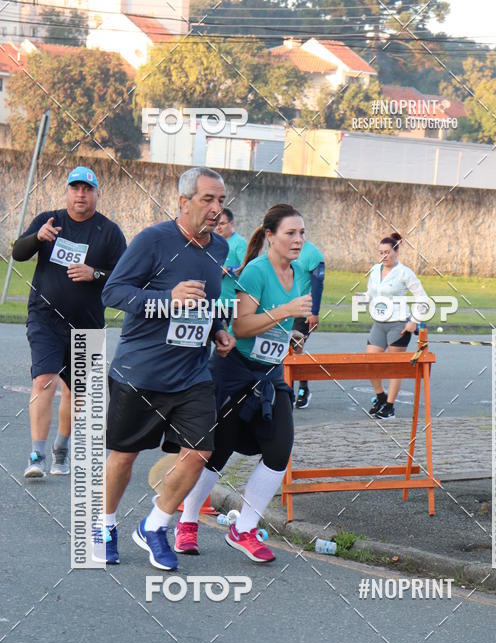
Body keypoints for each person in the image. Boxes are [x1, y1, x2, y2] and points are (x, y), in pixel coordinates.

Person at [98, 166, 235, 569]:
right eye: (207, 199)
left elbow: (207, 303)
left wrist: (218, 331)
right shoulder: (153, 241)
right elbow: (113, 292)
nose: (215, 208)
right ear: (183, 201)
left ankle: (155, 526)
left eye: (221, 201)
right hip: (140, 372)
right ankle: (105, 525)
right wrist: (167, 297)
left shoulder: (220, 249)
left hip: (192, 374)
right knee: (124, 456)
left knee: (200, 452)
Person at [175, 203, 312, 563]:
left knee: (280, 450)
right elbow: (242, 327)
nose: (298, 240)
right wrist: (286, 311)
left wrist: (296, 335)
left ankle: (244, 528)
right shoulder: (255, 272)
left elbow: (289, 325)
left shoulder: (300, 274)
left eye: (301, 233)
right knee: (217, 451)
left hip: (270, 373)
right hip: (236, 371)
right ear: (270, 236)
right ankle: (187, 522)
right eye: (290, 233)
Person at [12, 166, 126, 478]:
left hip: (87, 325)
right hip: (45, 318)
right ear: (66, 192)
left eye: (87, 189)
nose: (80, 194)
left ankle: (61, 446)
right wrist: (37, 237)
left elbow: (125, 277)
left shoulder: (110, 232)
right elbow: (18, 253)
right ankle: (37, 454)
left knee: (76, 392)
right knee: (43, 379)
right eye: (75, 188)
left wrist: (95, 274)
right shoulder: (49, 221)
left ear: (97, 194)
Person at [365, 232, 427, 419]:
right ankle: (381, 396)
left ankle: (390, 407)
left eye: (387, 252)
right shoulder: (375, 270)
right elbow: (371, 292)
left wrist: (414, 321)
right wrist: (363, 298)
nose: (383, 256)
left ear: (396, 252)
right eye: (380, 252)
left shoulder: (404, 273)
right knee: (370, 363)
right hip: (379, 323)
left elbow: (422, 297)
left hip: (398, 325)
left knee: (394, 366)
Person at [291, 239, 325, 409]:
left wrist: (315, 312)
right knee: (282, 349)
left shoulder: (312, 254)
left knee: (296, 348)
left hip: (304, 309)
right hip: (284, 307)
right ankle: (286, 389)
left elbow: (318, 284)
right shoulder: (282, 248)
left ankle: (303, 388)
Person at [215, 207, 247, 324]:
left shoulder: (240, 243)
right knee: (207, 337)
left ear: (232, 223)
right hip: (215, 301)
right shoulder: (214, 242)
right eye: (216, 223)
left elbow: (247, 268)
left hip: (232, 302)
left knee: (233, 338)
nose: (218, 227)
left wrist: (229, 270)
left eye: (222, 223)